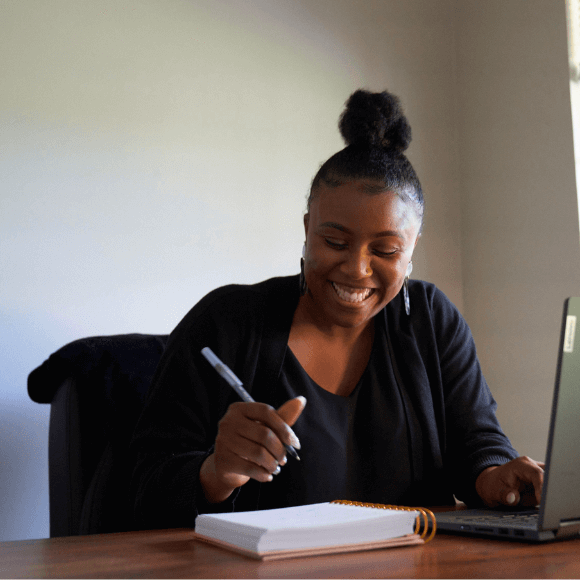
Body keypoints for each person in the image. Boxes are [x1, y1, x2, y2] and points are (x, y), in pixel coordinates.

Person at [129, 89, 543, 529]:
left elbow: (476, 443)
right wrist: (216, 473)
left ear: (411, 249)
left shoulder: (432, 319)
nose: (357, 268)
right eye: (335, 242)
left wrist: (496, 476)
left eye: (385, 250)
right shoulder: (225, 323)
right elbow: (140, 488)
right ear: (307, 229)